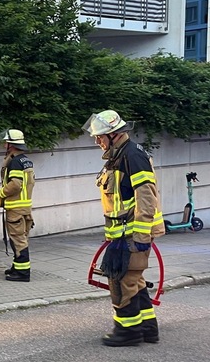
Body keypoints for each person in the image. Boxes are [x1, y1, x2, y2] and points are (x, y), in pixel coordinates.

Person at [83, 110, 165, 347]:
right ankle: (148, 328)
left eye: (100, 137)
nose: (97, 141)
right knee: (135, 280)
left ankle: (127, 332)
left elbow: (146, 198)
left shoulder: (132, 156)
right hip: (123, 234)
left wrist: (139, 236)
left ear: (115, 135)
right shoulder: (119, 156)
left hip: (131, 235)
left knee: (122, 282)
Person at [0, 129, 35, 282]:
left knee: (18, 240)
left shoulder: (14, 162)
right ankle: (17, 267)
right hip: (25, 207)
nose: (4, 144)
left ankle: (22, 273)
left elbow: (15, 185)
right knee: (21, 238)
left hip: (15, 208)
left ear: (11, 145)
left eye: (6, 142)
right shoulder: (25, 160)